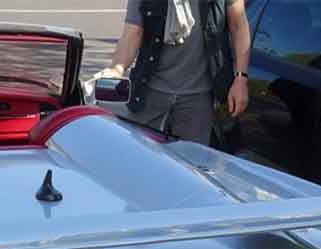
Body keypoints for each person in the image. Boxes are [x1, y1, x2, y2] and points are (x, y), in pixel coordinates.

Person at [97, 0, 251, 144]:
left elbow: (238, 25)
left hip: (198, 97)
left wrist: (241, 78)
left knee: (192, 165)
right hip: (148, 93)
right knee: (142, 158)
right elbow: (132, 33)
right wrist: (116, 69)